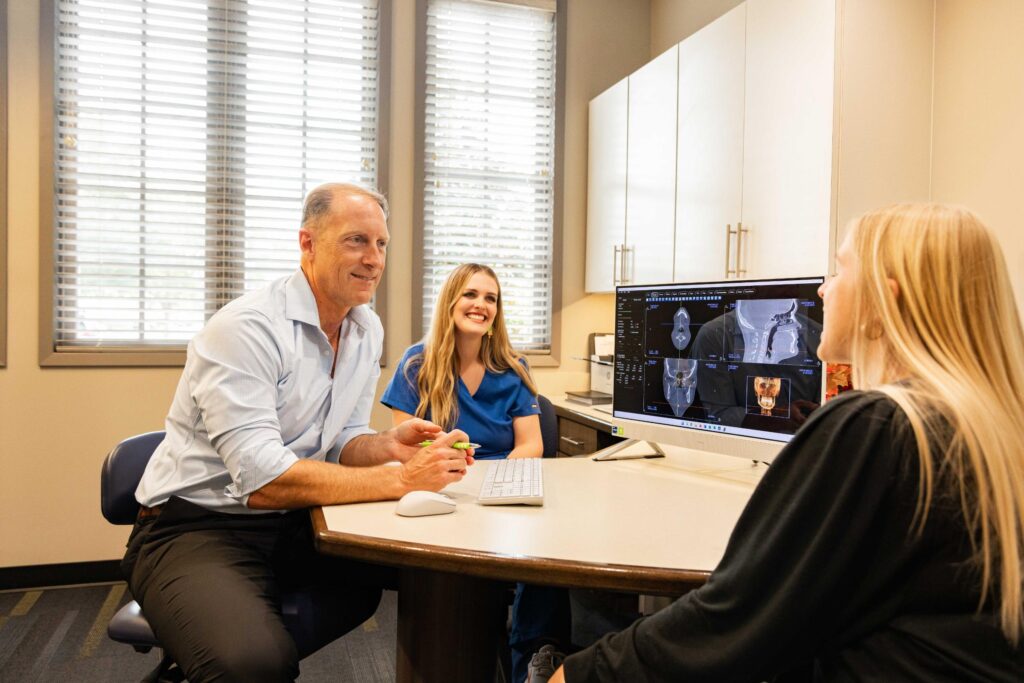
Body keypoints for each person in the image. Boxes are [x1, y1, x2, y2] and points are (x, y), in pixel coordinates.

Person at [550, 203, 1024, 682]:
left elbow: (731, 623)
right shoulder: (985, 427)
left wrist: (581, 673)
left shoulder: (879, 427)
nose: (823, 290)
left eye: (839, 271)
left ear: (883, 304)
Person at [122, 183, 474, 683]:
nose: (374, 259)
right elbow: (263, 480)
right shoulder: (246, 328)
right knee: (252, 665)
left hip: (297, 519)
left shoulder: (365, 328)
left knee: (455, 572)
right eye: (356, 240)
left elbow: (342, 439)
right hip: (195, 526)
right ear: (308, 243)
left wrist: (386, 447)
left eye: (381, 244)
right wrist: (401, 479)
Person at [381, 263, 569, 682]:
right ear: (451, 301)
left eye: (491, 298)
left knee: (544, 548)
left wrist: (498, 481)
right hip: (443, 488)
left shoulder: (514, 367)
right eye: (470, 294)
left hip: (502, 488)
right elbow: (403, 444)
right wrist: (447, 466)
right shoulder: (416, 364)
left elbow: (531, 444)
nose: (481, 305)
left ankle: (536, 658)